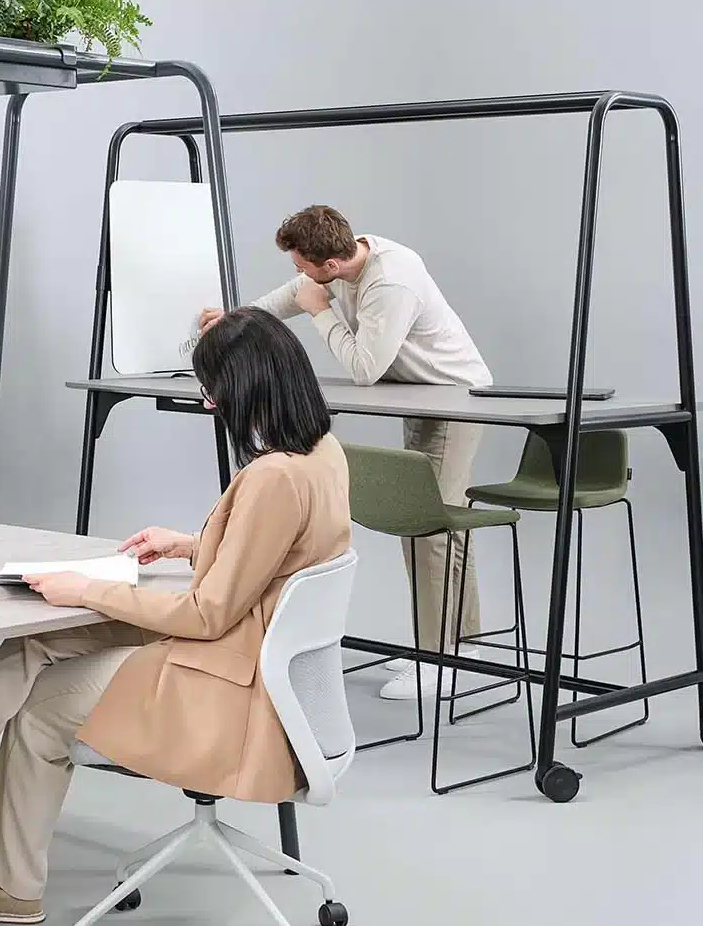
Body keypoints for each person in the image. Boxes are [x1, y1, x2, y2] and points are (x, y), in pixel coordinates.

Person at [0, 306, 351, 924]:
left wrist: (85, 587)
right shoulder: (322, 455)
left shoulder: (272, 477)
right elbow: (283, 552)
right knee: (39, 645)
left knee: (43, 703)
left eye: (211, 390)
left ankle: (6, 885)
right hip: (254, 656)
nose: (211, 405)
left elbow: (206, 615)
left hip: (223, 677)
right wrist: (190, 544)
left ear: (246, 385)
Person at [199, 204, 493, 697]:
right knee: (438, 525)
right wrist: (238, 319)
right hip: (425, 398)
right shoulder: (344, 258)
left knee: (428, 528)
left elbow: (364, 368)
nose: (299, 277)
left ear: (330, 266)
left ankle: (441, 661)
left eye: (302, 267)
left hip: (453, 399)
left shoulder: (390, 281)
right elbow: (293, 296)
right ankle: (460, 647)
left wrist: (320, 311)